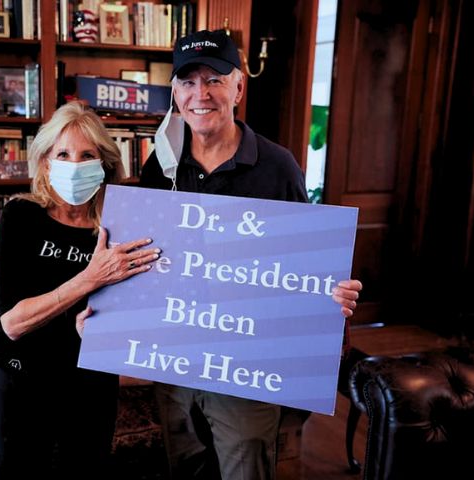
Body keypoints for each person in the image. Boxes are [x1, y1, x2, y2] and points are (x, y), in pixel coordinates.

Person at [137, 29, 363, 479]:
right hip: (174, 359)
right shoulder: (159, 167)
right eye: (187, 81)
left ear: (238, 86)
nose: (200, 94)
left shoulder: (278, 166)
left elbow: (307, 262)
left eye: (214, 79)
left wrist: (329, 292)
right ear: (174, 93)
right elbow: (143, 257)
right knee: (184, 466)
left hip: (246, 365)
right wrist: (102, 307)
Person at [0, 101, 161, 479]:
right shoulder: (20, 216)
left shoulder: (121, 223)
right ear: (46, 161)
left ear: (105, 164)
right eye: (63, 153)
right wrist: (91, 277)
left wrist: (106, 332)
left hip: (91, 386)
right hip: (24, 383)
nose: (74, 163)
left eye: (87, 155)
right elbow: (13, 324)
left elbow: (140, 310)